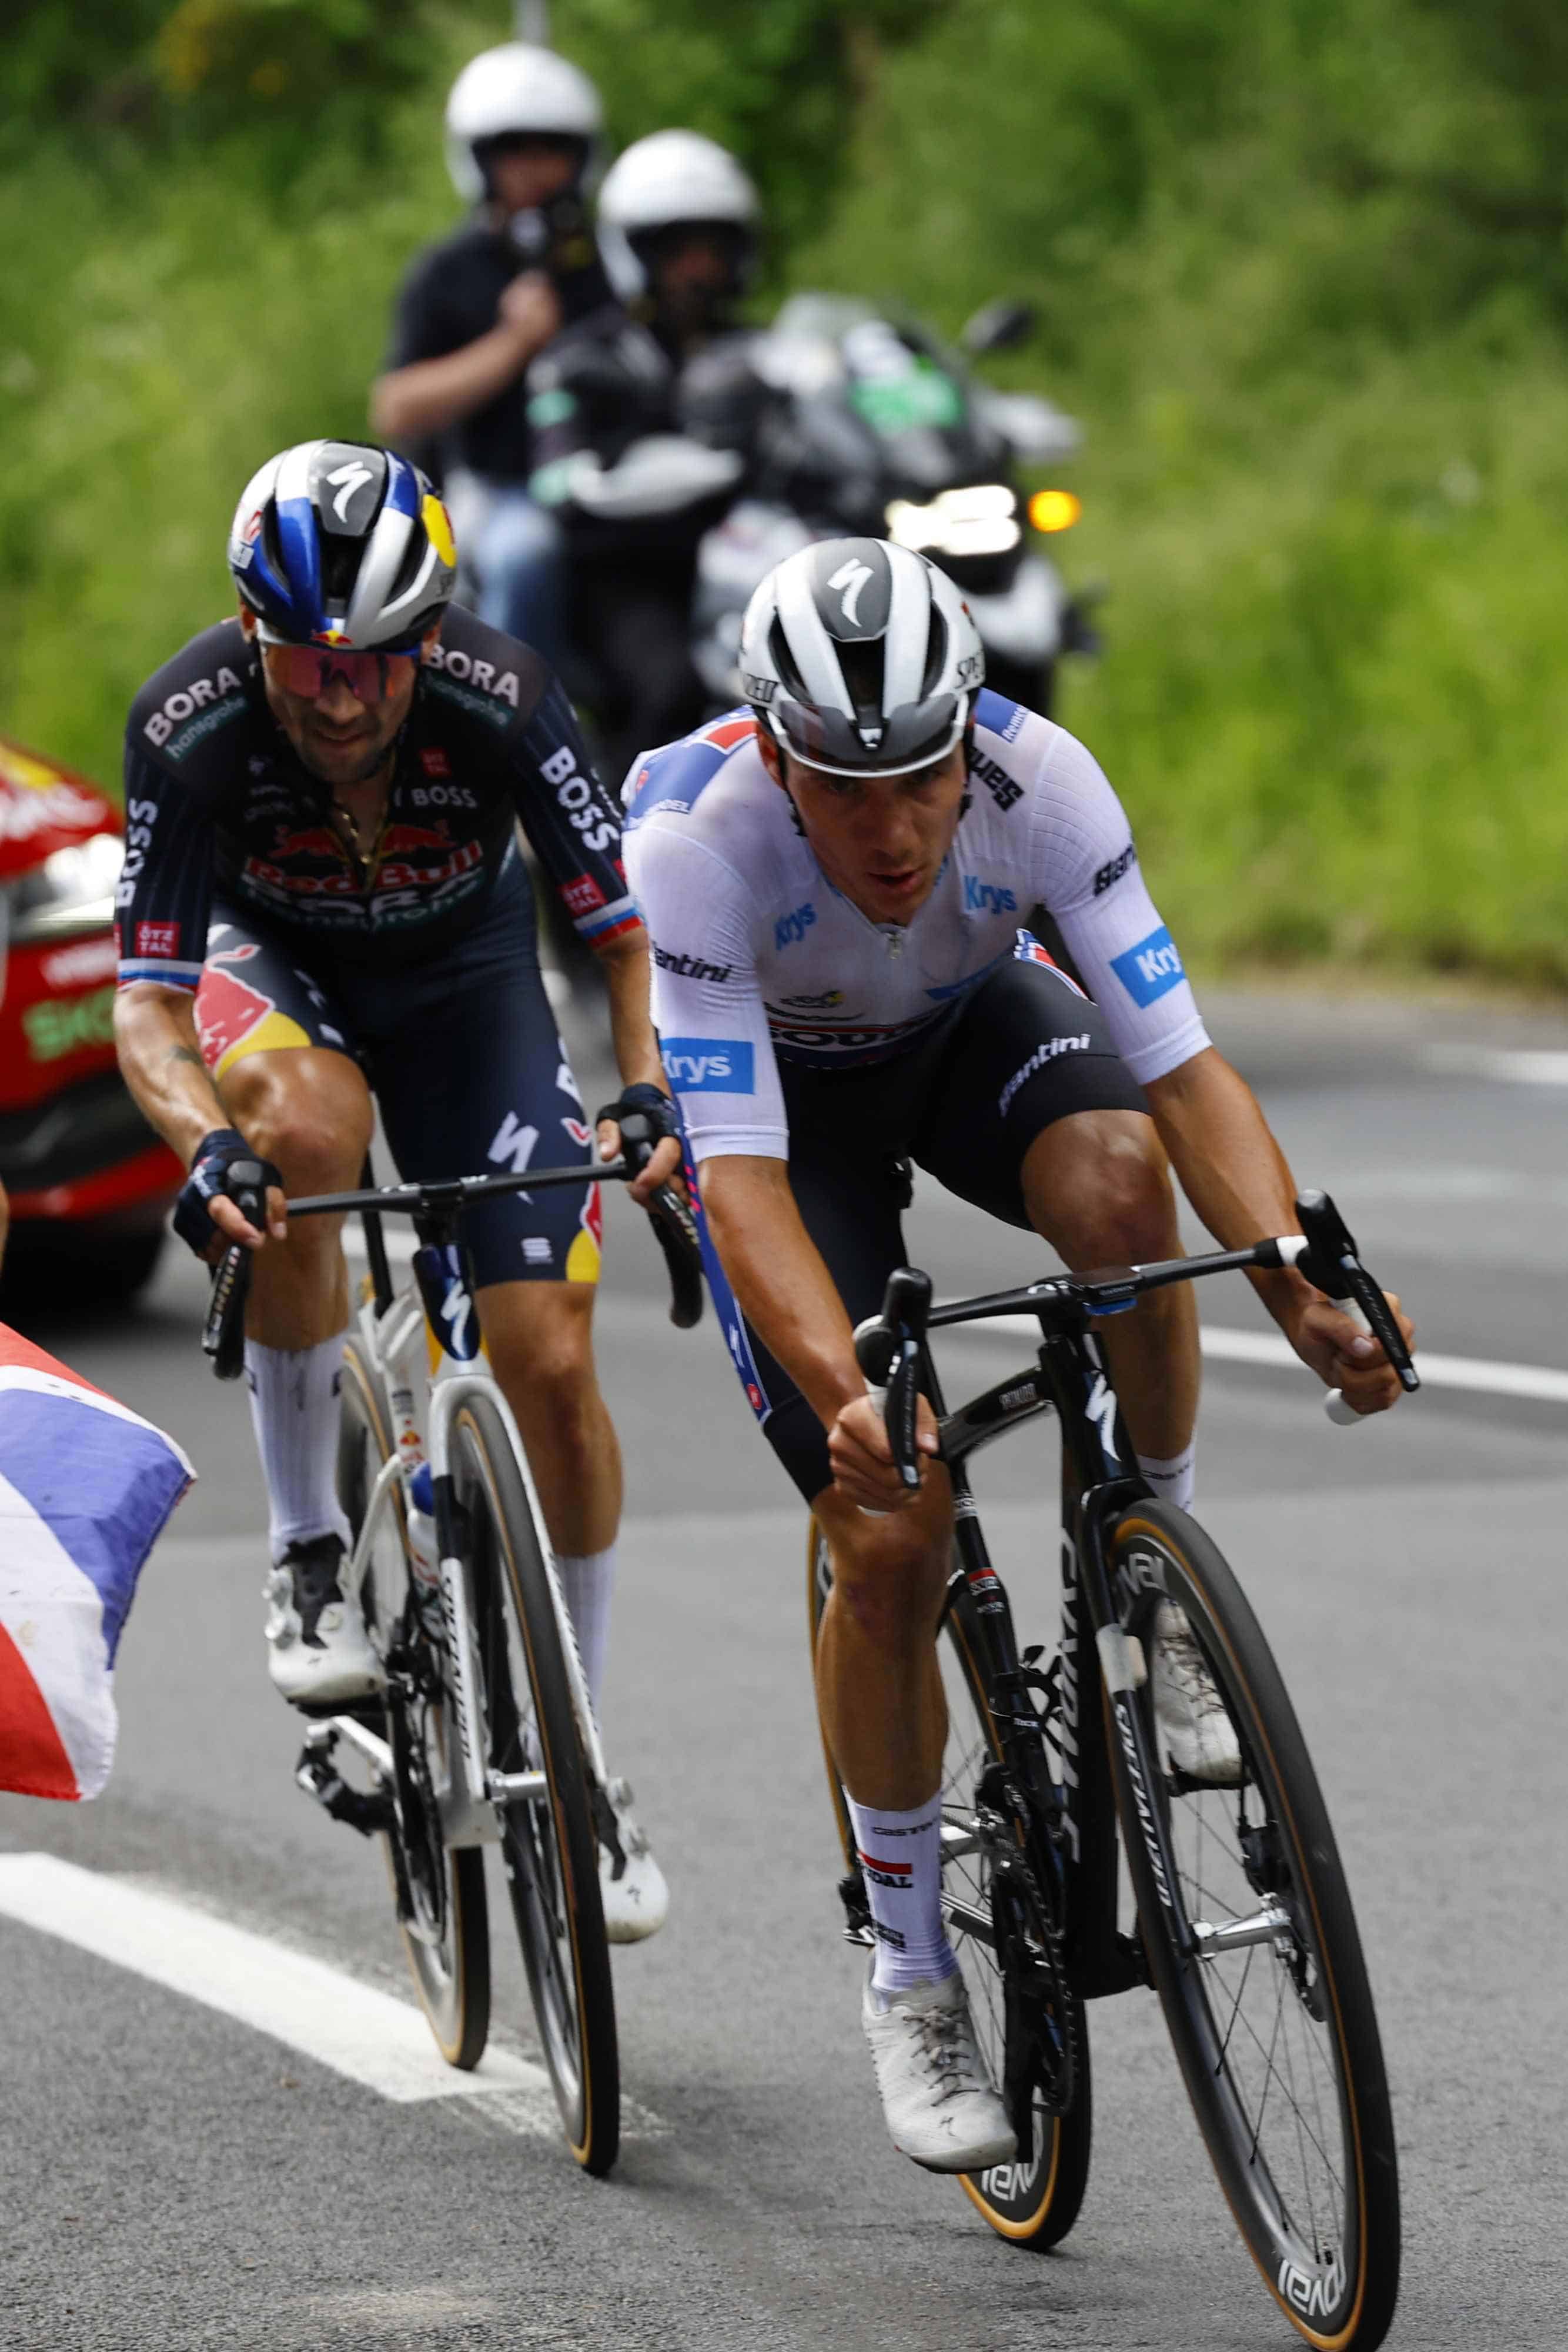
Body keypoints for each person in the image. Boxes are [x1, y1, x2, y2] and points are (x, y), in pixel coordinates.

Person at [621, 536, 1416, 2168]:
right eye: (845, 791)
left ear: (966, 737)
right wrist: (851, 1404)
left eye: (919, 778)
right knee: (894, 1517)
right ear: (775, 753)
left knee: (1120, 1174)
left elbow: (1182, 1068)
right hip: (790, 1128)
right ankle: (908, 1974)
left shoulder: (1041, 780)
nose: (893, 828)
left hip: (960, 1035)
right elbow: (744, 1179)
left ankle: (1151, 1569)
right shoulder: (698, 847)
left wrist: (1292, 1280)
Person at [112, 437, 682, 1939]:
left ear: (430, 632)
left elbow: (622, 943)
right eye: (306, 662)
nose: (344, 696)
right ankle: (307, 1551)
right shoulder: (189, 725)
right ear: (252, 635)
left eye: (377, 658)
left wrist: (648, 1092)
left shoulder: (505, 695)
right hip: (276, 968)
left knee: (552, 1357)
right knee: (300, 1133)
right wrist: (201, 1144)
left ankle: (585, 1761)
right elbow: (146, 1008)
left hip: (470, 980)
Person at [519, 129, 762, 786]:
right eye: (678, 251)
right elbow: (562, 480)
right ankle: (628, 860)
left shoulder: (766, 352)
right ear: (635, 253)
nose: (698, 270)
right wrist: (695, 470)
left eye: (713, 249)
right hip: (632, 577)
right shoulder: (580, 361)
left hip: (754, 561)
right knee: (671, 691)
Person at [371, 42, 610, 660]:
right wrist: (514, 343)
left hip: (607, 477)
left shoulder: (612, 262)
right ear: (479, 159)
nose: (533, 168)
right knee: (524, 552)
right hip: (497, 486)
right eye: (513, 150)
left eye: (551, 149)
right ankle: (513, 725)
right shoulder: (449, 271)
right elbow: (395, 408)